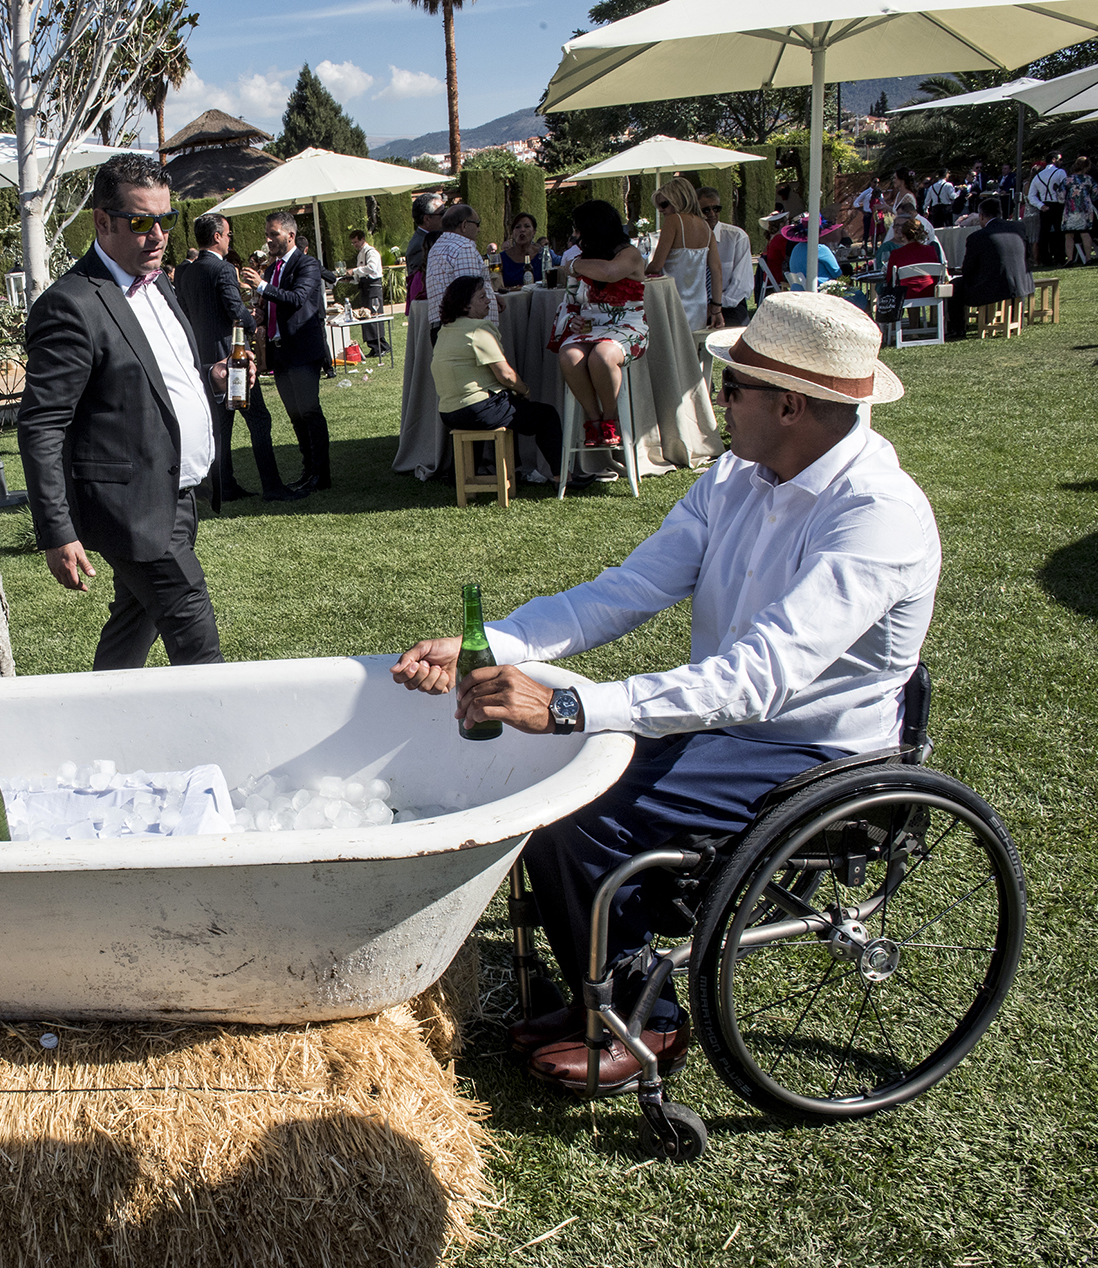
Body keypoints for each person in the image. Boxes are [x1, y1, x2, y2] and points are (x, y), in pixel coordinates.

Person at [393, 291, 935, 1093]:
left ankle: (646, 1019)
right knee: (557, 789)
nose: (719, 398)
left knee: (586, 810)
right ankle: (598, 994)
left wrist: (570, 706)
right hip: (735, 727)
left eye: (733, 385)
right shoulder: (740, 477)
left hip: (816, 753)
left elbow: (760, 678)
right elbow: (627, 589)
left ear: (787, 405)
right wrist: (494, 642)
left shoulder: (877, 516)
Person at [17, 152, 225, 671]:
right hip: (131, 508)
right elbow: (42, 425)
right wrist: (57, 530)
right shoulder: (71, 304)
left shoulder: (159, 283)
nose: (157, 235)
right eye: (140, 222)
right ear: (102, 221)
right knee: (194, 631)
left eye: (165, 220)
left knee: (136, 619)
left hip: (177, 494)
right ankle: (223, 743)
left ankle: (98, 721)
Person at [176, 212, 302, 503]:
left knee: (221, 428)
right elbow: (236, 311)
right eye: (229, 234)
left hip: (203, 363)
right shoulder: (222, 271)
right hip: (232, 362)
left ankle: (223, 485)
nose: (230, 239)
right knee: (259, 419)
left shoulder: (188, 272)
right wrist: (252, 319)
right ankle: (272, 485)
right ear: (218, 236)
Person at [431, 275, 567, 484]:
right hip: (477, 409)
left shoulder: (445, 330)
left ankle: (463, 477)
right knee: (546, 415)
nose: (489, 300)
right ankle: (562, 477)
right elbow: (506, 375)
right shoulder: (478, 329)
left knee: (507, 408)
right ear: (466, 305)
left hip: (448, 412)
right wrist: (525, 390)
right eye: (482, 297)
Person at [240, 210, 334, 493]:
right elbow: (273, 303)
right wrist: (259, 313)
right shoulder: (271, 269)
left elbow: (296, 299)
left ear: (290, 236)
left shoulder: (307, 265)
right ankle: (308, 470)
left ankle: (322, 473)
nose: (268, 240)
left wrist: (262, 286)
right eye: (267, 234)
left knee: (309, 411)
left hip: (302, 350)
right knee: (295, 414)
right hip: (279, 352)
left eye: (274, 234)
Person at [547, 199, 646, 451]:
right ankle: (594, 419)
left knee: (602, 355)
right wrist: (573, 319)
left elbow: (610, 272)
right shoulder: (583, 258)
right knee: (569, 356)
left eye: (578, 229)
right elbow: (569, 301)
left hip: (627, 325)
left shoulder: (629, 254)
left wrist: (573, 265)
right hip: (589, 328)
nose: (574, 235)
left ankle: (610, 416)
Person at [645, 177, 724, 332]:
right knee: (691, 351)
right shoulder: (706, 228)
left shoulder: (674, 220)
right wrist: (717, 308)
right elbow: (717, 271)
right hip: (698, 304)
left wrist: (638, 274)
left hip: (672, 300)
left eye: (664, 204)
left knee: (671, 351)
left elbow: (657, 265)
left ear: (677, 200)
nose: (661, 210)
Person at [949, 196, 1033, 337]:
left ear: (981, 216)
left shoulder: (977, 237)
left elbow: (968, 269)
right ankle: (1015, 319)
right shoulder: (1018, 227)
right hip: (1021, 281)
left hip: (992, 286)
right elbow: (1028, 254)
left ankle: (957, 328)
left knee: (955, 285)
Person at [424, 202, 500, 344]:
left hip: (443, 328)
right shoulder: (464, 247)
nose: (479, 229)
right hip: (466, 331)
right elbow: (470, 297)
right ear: (464, 225)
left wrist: (493, 297)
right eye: (477, 224)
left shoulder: (436, 247)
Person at [698, 185, 753, 325]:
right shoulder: (689, 240)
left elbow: (742, 284)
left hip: (730, 306)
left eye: (716, 208)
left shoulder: (736, 237)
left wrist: (716, 305)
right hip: (697, 307)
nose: (711, 213)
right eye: (705, 210)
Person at [347, 227, 387, 357]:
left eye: (356, 242)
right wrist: (350, 279)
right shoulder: (360, 254)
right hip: (365, 287)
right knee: (365, 316)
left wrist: (355, 270)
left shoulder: (371, 252)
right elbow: (361, 274)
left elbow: (371, 268)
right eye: (353, 243)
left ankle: (382, 346)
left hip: (373, 286)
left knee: (374, 315)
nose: (354, 245)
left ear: (363, 239)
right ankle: (374, 346)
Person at [887, 215, 944, 299]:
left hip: (907, 293)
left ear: (903, 234)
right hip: (930, 289)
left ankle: (914, 313)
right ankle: (935, 312)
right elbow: (936, 275)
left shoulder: (897, 253)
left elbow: (889, 278)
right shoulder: (931, 250)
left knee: (908, 287)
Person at [404, 191, 444, 306]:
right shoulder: (419, 245)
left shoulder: (433, 237)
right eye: (441, 213)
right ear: (427, 219)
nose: (445, 217)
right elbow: (422, 280)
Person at [490, 211, 549, 290]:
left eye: (527, 226)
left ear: (534, 232)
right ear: (513, 233)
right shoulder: (501, 259)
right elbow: (496, 287)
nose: (522, 230)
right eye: (517, 227)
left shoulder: (543, 255)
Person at [1028, 151, 1068, 266]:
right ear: (1054, 160)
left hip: (1044, 205)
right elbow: (1065, 189)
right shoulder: (1060, 172)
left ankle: (1045, 259)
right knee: (1059, 232)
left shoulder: (1038, 176)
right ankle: (1060, 257)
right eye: (1060, 159)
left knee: (1044, 234)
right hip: (1058, 204)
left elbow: (1031, 196)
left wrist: (1041, 205)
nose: (1062, 162)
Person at [783, 214, 841, 288]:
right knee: (857, 294)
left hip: (800, 292)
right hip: (821, 292)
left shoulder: (796, 248)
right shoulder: (819, 249)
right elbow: (837, 273)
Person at [1061, 156, 1095, 266]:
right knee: (1085, 233)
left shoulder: (1067, 180)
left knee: (1069, 235)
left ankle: (1069, 259)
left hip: (1070, 209)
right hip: (1085, 209)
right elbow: (1095, 193)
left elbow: (1061, 196)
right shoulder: (1089, 179)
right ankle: (1088, 258)